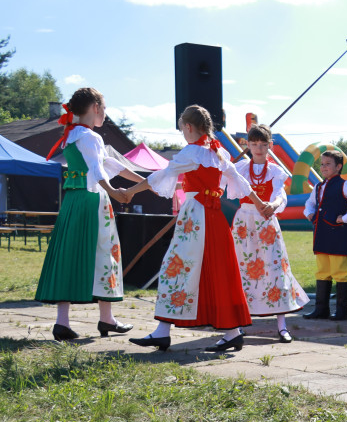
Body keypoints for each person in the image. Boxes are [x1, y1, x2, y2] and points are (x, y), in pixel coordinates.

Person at [124, 105, 271, 352]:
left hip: (195, 218)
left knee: (175, 267)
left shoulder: (192, 152)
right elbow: (241, 183)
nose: (183, 133)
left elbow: (161, 176)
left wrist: (128, 192)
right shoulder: (219, 153)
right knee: (218, 272)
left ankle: (163, 332)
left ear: (188, 127)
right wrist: (261, 205)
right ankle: (232, 332)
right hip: (215, 218)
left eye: (182, 129)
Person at [35, 87, 146, 340]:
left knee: (69, 255)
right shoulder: (90, 137)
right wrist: (116, 192)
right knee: (105, 254)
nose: (105, 115)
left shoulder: (72, 135)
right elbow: (98, 170)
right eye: (104, 109)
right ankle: (106, 319)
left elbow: (110, 164)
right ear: (95, 107)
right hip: (93, 200)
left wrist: (145, 183)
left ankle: (62, 322)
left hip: (73, 201)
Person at [232, 124, 309, 342]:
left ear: (270, 145)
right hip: (243, 223)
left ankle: (282, 325)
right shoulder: (239, 168)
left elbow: (280, 195)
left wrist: (273, 205)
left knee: (275, 269)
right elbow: (223, 180)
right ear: (247, 145)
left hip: (266, 222)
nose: (258, 148)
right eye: (254, 144)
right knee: (242, 268)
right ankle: (239, 322)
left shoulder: (276, 171)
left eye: (263, 144)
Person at [302, 148, 347, 321]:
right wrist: (308, 213)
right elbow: (309, 204)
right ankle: (321, 309)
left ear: (338, 167)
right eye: (322, 164)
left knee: (340, 272)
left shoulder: (346, 185)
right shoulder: (318, 186)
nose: (323, 167)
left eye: (328, 164)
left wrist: (346, 218)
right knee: (322, 271)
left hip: (339, 235)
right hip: (322, 234)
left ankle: (341, 311)